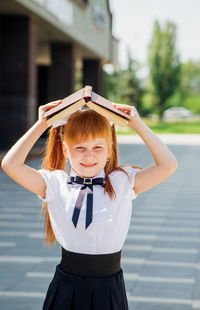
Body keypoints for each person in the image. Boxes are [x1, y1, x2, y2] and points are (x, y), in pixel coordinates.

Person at [1, 99, 178, 310]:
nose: (89, 155)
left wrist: (137, 124)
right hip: (67, 288)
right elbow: (10, 165)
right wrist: (42, 124)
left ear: (109, 150)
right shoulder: (56, 184)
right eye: (80, 147)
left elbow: (168, 165)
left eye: (97, 147)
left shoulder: (121, 182)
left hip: (109, 287)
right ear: (66, 150)